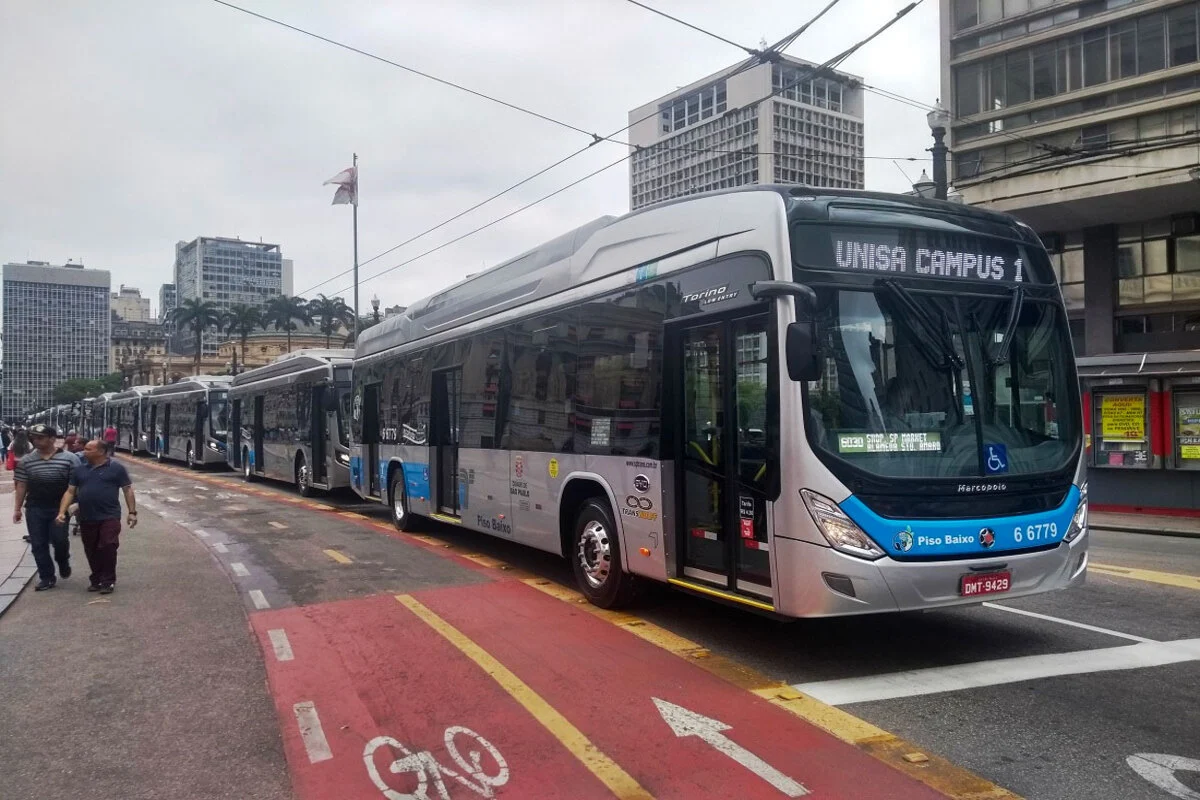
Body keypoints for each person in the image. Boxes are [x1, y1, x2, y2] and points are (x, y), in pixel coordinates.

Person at [57, 439, 136, 594]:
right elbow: (70, 492)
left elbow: (127, 490)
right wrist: (62, 512)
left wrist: (132, 512)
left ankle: (108, 580)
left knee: (108, 545)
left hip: (109, 515)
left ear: (101, 451)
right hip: (86, 516)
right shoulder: (79, 470)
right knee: (91, 549)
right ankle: (97, 578)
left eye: (88, 449)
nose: (83, 451)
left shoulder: (116, 468)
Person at [13, 424, 76, 591]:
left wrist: (77, 504)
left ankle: (63, 561)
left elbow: (75, 485)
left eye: (40, 437)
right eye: (33, 438)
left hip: (59, 507)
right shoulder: (26, 461)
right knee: (38, 544)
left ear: (52, 439)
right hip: (35, 508)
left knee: (60, 540)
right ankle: (47, 576)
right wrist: (17, 508)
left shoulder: (70, 459)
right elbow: (21, 485)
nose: (36, 441)